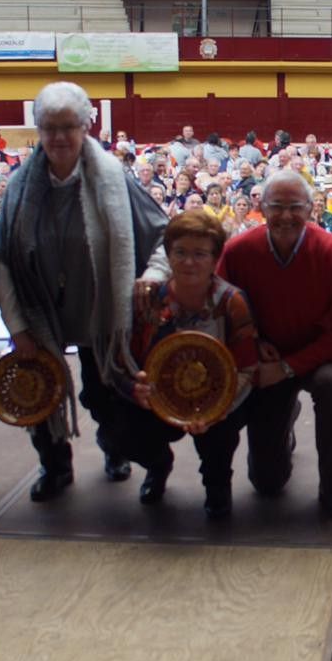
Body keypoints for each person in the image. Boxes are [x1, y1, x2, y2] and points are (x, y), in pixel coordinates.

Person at [0, 82, 169, 501]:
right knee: (40, 393)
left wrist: (154, 274)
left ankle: (115, 449)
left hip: (99, 315)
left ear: (87, 127)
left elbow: (166, 236)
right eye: (48, 127)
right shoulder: (19, 188)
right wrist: (17, 326)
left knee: (103, 396)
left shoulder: (114, 180)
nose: (58, 137)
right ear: (37, 128)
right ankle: (54, 467)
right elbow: (2, 259)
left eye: (68, 126)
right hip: (41, 316)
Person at [218, 170, 332, 520]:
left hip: (316, 356)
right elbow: (220, 312)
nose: (285, 215)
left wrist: (286, 368)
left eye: (295, 206)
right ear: (261, 208)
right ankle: (287, 417)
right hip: (264, 359)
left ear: (312, 208)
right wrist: (253, 344)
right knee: (267, 484)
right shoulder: (238, 251)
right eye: (276, 206)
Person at [109, 210, 259, 519]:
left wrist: (218, 409)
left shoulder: (232, 301)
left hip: (219, 399)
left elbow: (247, 367)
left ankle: (217, 486)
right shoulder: (147, 299)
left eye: (200, 254)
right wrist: (135, 387)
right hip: (159, 398)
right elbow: (125, 358)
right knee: (122, 431)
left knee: (218, 438)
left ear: (215, 258)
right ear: (168, 254)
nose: (189, 262)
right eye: (180, 252)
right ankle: (158, 465)